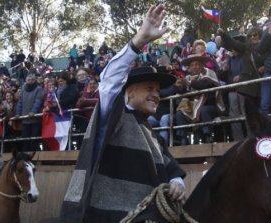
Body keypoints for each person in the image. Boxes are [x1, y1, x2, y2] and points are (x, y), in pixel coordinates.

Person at [60, 4, 186, 222]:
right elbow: (109, 80)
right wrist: (140, 40)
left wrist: (178, 182)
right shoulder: (113, 114)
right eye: (149, 88)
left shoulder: (151, 132)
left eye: (158, 90)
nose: (156, 94)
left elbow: (171, 167)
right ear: (128, 92)